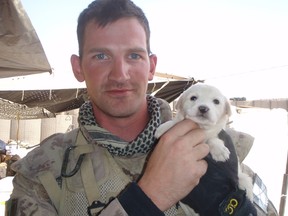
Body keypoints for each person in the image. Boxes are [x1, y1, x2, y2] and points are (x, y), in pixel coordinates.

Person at [6, 0, 209, 215]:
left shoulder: (208, 145)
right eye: (101, 56)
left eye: (133, 55)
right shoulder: (40, 172)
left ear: (151, 66)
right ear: (78, 67)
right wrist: (150, 197)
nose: (119, 75)